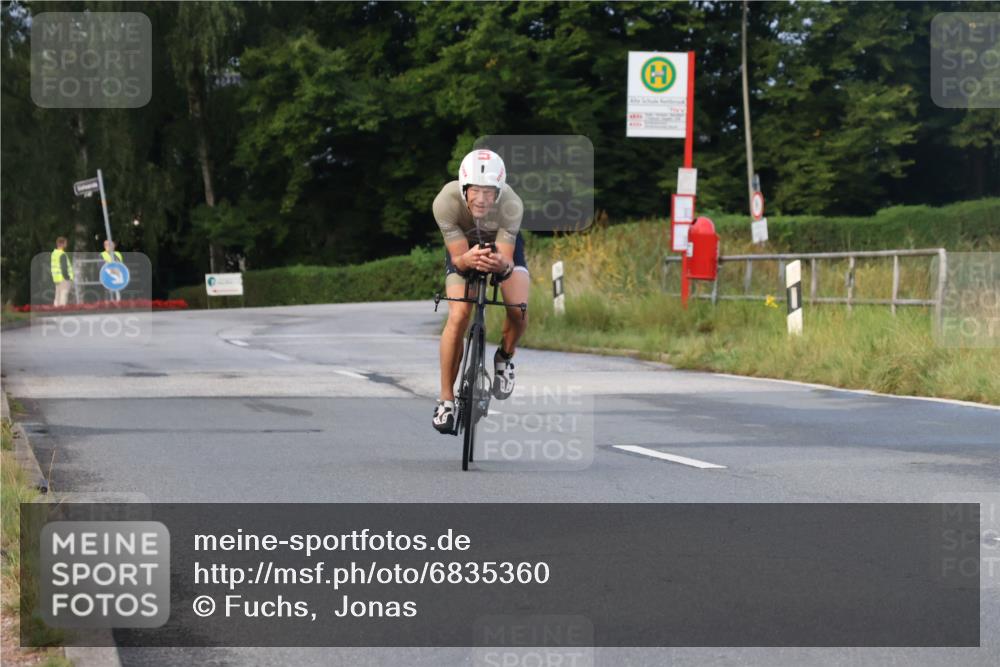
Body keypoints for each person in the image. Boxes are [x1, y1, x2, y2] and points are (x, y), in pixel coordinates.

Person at [431, 149, 529, 434]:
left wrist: (502, 266)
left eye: (489, 192)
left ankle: (505, 359)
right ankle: (446, 399)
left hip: (501, 248)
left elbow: (507, 260)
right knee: (460, 313)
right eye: (475, 191)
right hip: (464, 248)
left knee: (518, 310)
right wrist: (465, 261)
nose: (481, 199)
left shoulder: (512, 204)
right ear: (464, 188)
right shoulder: (445, 203)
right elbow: (460, 260)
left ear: (499, 191)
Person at [50, 236, 74, 307]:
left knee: (57, 295)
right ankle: (62, 310)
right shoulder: (62, 254)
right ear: (63, 244)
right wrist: (68, 277)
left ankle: (55, 310)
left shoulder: (54, 254)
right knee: (64, 294)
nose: (66, 244)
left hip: (57, 278)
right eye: (66, 243)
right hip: (64, 278)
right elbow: (64, 267)